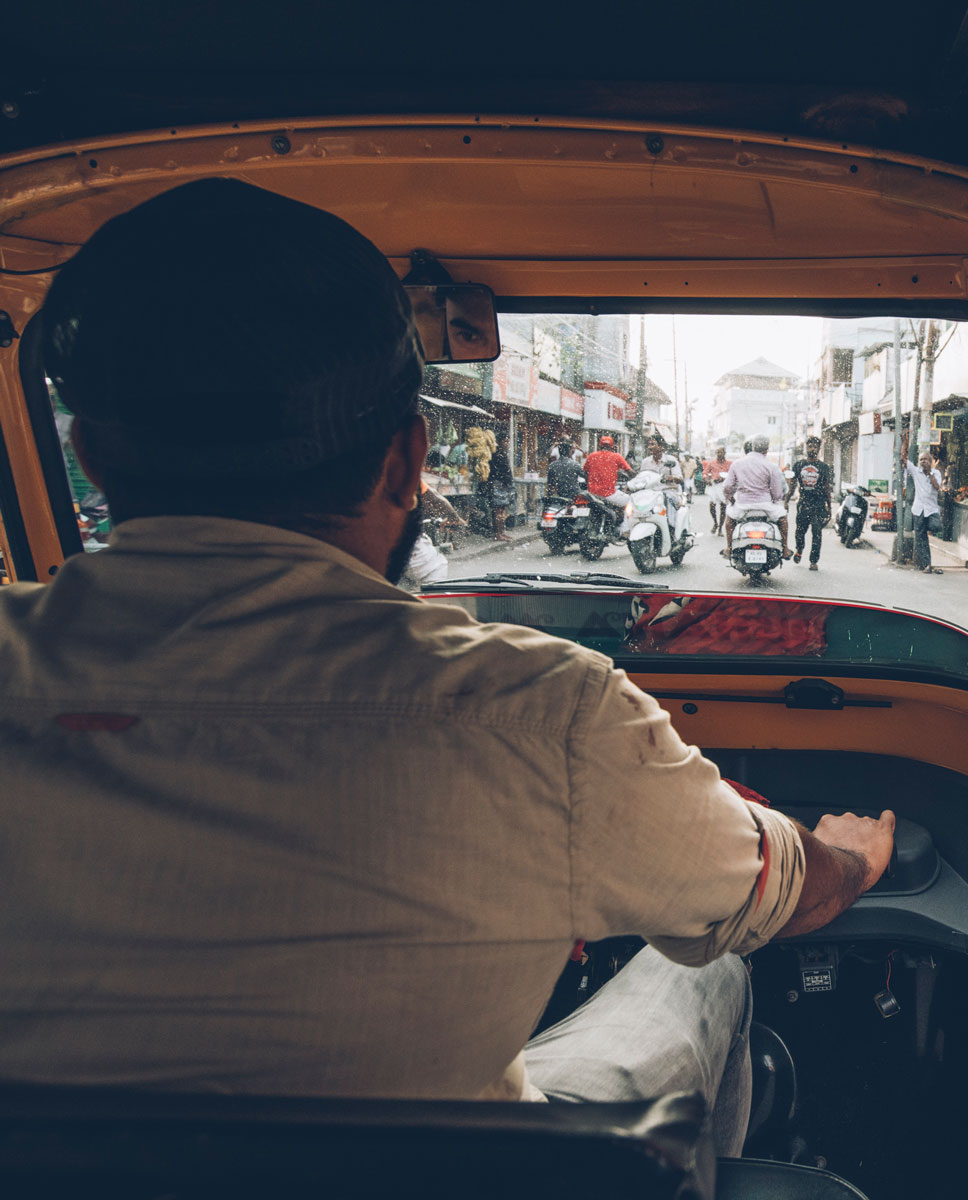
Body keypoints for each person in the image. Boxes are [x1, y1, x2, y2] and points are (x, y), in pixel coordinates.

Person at [0, 178, 895, 1159]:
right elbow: (776, 892)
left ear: (89, 449)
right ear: (405, 461)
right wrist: (854, 856)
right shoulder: (543, 714)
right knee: (706, 970)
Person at [722, 435, 787, 557]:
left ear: (751, 447)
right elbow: (777, 493)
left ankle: (729, 548)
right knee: (783, 519)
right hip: (765, 506)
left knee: (729, 519)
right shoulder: (771, 466)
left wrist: (731, 499)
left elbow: (727, 487)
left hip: (742, 505)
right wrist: (774, 500)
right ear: (766, 449)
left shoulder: (737, 464)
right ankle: (785, 548)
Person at [786, 436, 834, 571]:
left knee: (817, 533)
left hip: (818, 504)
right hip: (803, 503)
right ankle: (799, 549)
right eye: (810, 446)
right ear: (806, 448)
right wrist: (786, 500)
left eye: (815, 446)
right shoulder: (799, 465)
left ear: (819, 449)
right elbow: (792, 485)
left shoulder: (823, 467)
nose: (812, 448)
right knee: (800, 531)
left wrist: (829, 507)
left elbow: (826, 487)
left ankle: (813, 561)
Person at [902, 445, 945, 574]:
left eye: (926, 459)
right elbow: (903, 460)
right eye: (921, 460)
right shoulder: (915, 471)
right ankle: (926, 564)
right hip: (918, 510)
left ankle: (928, 528)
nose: (923, 462)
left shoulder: (936, 473)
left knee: (936, 526)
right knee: (920, 538)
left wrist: (930, 473)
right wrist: (903, 442)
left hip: (931, 510)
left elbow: (937, 487)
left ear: (931, 461)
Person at [583, 434, 632, 516]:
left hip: (592, 494)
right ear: (612, 446)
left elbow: (584, 472)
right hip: (609, 494)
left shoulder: (592, 456)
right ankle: (624, 526)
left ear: (600, 446)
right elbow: (630, 472)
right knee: (631, 501)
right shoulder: (617, 457)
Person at [485, 434, 516, 540]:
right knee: (498, 510)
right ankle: (498, 534)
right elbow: (496, 471)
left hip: (503, 485)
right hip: (498, 484)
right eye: (505, 441)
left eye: (508, 442)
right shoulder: (496, 454)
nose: (507, 444)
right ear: (500, 441)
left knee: (502, 510)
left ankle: (501, 532)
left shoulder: (502, 453)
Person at [703, 447, 730, 535]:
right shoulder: (712, 463)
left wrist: (724, 479)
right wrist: (706, 480)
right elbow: (705, 473)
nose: (719, 454)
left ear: (724, 453)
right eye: (718, 452)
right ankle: (715, 523)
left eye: (721, 452)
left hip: (724, 486)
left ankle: (720, 529)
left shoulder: (729, 463)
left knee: (723, 508)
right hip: (714, 486)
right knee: (712, 505)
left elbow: (733, 475)